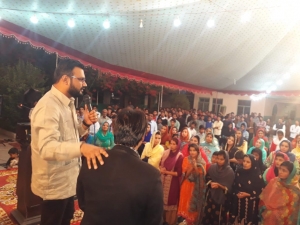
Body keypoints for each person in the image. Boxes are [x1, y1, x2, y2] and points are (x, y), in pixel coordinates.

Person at [31, 59, 108, 225]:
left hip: (67, 180)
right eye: (80, 79)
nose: (84, 84)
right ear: (65, 79)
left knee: (66, 219)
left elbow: (69, 136)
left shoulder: (68, 103)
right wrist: (81, 147)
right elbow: (47, 148)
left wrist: (85, 124)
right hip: (54, 184)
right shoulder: (49, 106)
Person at [77, 109, 163, 225]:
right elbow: (154, 219)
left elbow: (82, 202)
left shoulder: (92, 159)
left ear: (113, 130)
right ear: (143, 136)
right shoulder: (150, 175)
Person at [229, 154, 265, 225]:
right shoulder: (239, 172)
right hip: (238, 202)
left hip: (251, 205)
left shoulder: (257, 175)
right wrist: (237, 193)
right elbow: (234, 185)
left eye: (248, 162)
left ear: (253, 163)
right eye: (244, 161)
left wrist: (248, 194)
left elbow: (261, 192)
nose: (245, 163)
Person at [202, 151, 234, 225]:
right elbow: (207, 178)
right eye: (218, 158)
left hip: (221, 198)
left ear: (226, 160)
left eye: (221, 159)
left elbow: (229, 188)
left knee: (218, 217)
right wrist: (211, 183)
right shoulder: (213, 167)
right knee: (207, 214)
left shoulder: (229, 172)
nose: (219, 161)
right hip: (210, 195)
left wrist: (219, 185)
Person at [177, 144, 206, 225]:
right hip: (186, 185)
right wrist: (192, 166)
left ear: (198, 151)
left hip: (195, 187)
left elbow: (199, 176)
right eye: (190, 150)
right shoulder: (186, 159)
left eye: (194, 150)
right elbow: (185, 175)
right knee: (185, 204)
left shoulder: (202, 162)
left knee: (192, 205)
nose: (192, 152)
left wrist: (195, 166)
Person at [160, 137, 183, 225]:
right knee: (161, 199)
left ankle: (170, 222)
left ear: (178, 145)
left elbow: (178, 173)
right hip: (163, 179)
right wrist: (162, 169)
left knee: (170, 200)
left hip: (172, 182)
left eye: (174, 144)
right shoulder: (165, 153)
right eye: (171, 144)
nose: (172, 146)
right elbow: (160, 164)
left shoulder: (179, 156)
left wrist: (166, 172)